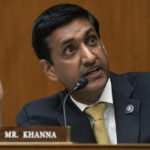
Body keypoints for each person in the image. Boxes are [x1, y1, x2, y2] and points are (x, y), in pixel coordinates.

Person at [16, 3, 150, 144]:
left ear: (102, 45)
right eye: (70, 50)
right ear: (50, 69)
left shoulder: (147, 89)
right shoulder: (38, 119)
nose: (90, 57)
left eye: (92, 40)